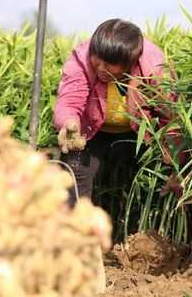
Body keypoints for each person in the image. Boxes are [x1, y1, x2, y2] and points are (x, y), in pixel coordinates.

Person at [53, 18, 184, 207]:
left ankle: (141, 233)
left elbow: (170, 117)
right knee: (75, 171)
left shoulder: (154, 67)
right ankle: (77, 229)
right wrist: (68, 124)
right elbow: (70, 99)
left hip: (139, 132)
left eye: (110, 64)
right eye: (97, 60)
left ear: (130, 62)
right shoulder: (82, 58)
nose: (100, 68)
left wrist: (177, 164)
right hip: (91, 131)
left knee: (152, 179)